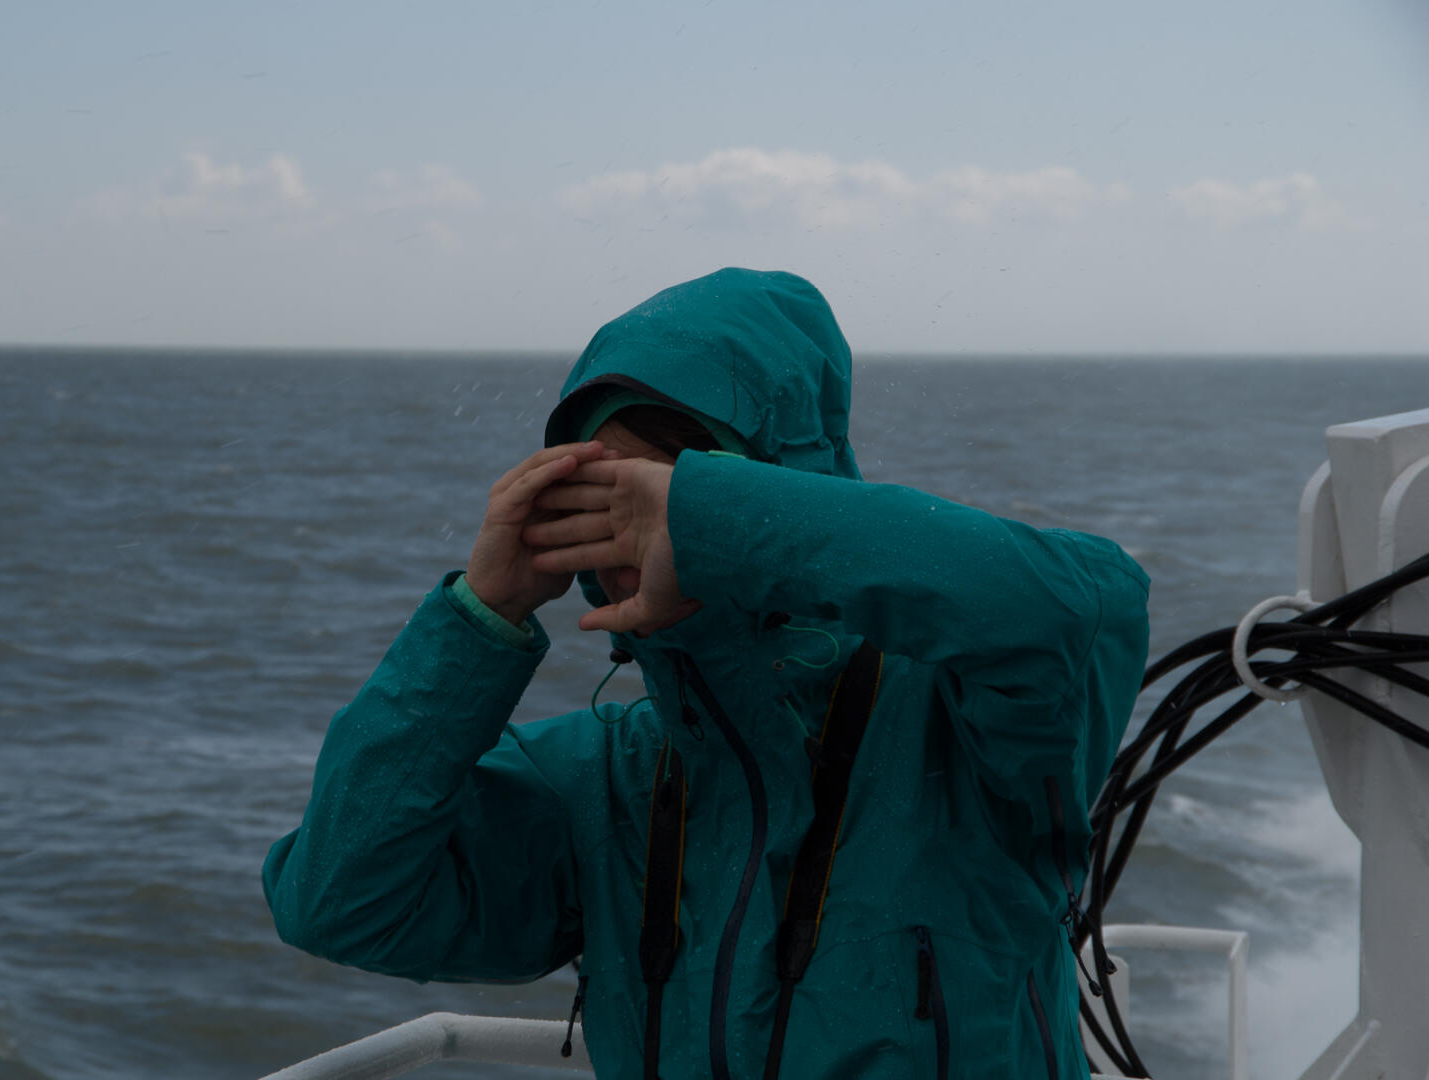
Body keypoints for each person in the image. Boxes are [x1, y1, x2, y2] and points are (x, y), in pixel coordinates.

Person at [263, 268, 1151, 1079]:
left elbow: (1083, 607)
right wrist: (481, 616)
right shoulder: (601, 781)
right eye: (593, 496)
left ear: (779, 486)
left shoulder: (960, 724)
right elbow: (338, 902)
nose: (626, 528)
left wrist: (714, 523)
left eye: (654, 493)